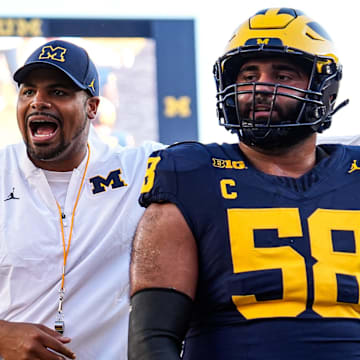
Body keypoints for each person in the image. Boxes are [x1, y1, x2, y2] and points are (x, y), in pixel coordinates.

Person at [128, 8, 360, 360]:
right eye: (249, 74)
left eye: (283, 75)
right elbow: (153, 338)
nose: (261, 87)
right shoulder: (191, 173)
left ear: (324, 91)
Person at [0, 39, 163, 359]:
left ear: (92, 107)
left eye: (58, 92)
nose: (38, 102)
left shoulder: (140, 166)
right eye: (28, 91)